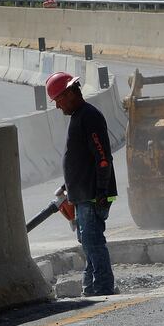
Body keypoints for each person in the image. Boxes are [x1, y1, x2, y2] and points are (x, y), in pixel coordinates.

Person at [46, 71, 118, 296]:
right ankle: (91, 287)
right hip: (83, 194)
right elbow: (83, 159)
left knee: (93, 242)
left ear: (69, 93)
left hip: (92, 195)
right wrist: (67, 185)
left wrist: (101, 193)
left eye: (58, 100)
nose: (57, 106)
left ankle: (103, 287)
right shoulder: (79, 116)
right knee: (88, 243)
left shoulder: (89, 116)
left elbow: (102, 158)